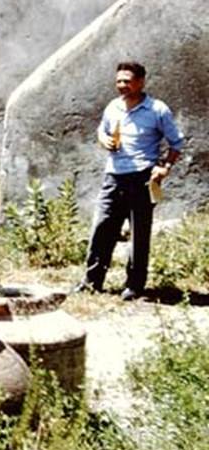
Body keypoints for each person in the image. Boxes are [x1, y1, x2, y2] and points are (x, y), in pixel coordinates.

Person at [74, 62, 184, 301]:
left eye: (127, 81)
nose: (122, 85)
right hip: (113, 177)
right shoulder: (113, 107)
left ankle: (134, 286)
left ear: (141, 81)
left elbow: (176, 143)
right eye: (119, 81)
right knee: (101, 228)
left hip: (143, 178)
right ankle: (92, 281)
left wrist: (164, 167)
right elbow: (101, 131)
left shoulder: (157, 110)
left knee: (138, 234)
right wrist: (104, 139)